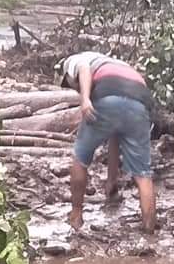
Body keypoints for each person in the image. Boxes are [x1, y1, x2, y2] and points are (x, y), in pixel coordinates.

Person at [58, 50, 156, 233]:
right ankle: (150, 230)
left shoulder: (75, 60)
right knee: (143, 174)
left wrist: (85, 99)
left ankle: (76, 215)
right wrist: (111, 181)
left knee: (80, 159)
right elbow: (114, 138)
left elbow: (83, 68)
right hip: (139, 103)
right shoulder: (119, 65)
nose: (75, 89)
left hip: (107, 97)